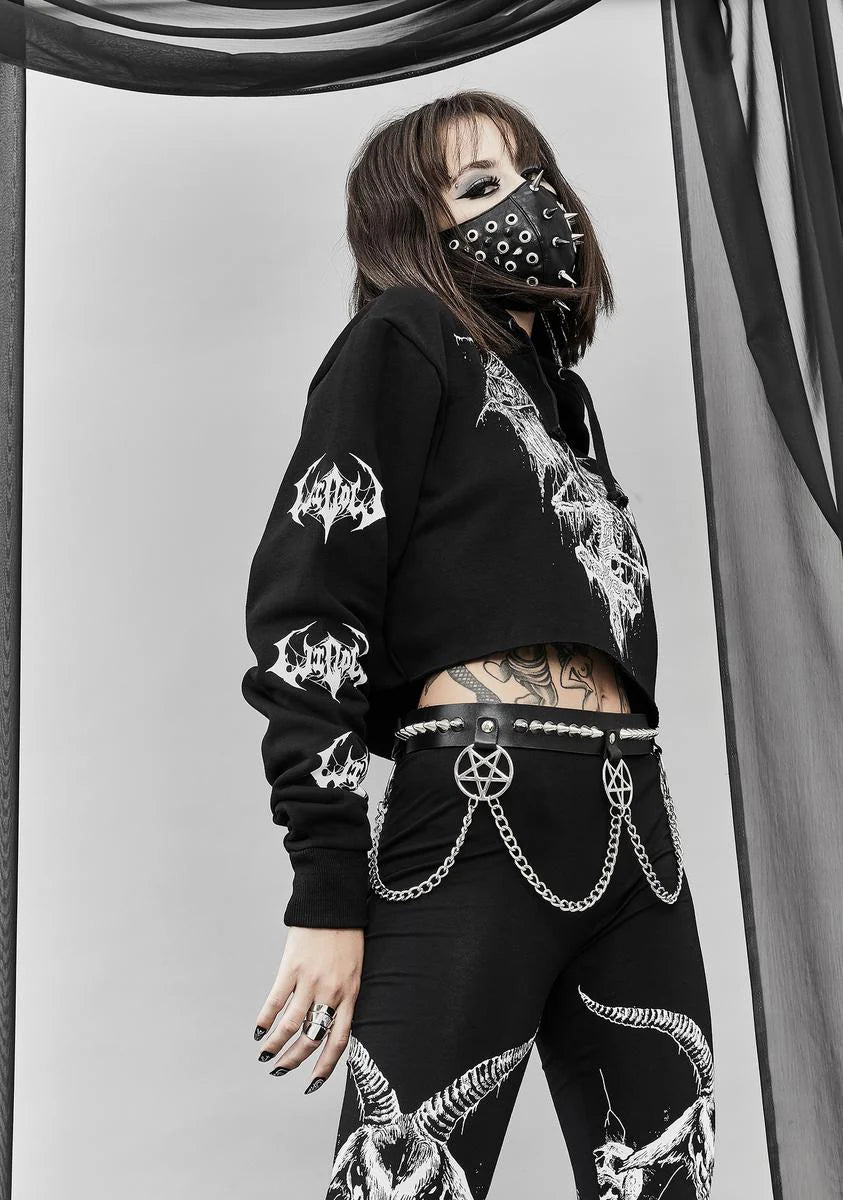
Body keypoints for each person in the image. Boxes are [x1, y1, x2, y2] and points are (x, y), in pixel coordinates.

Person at [240, 89, 715, 1200]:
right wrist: (326, 889)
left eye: (531, 174)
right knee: (402, 1179)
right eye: (481, 185)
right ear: (416, 223)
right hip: (473, 816)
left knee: (670, 1182)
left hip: (634, 824)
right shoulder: (398, 339)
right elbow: (309, 609)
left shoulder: (565, 407)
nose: (530, 202)